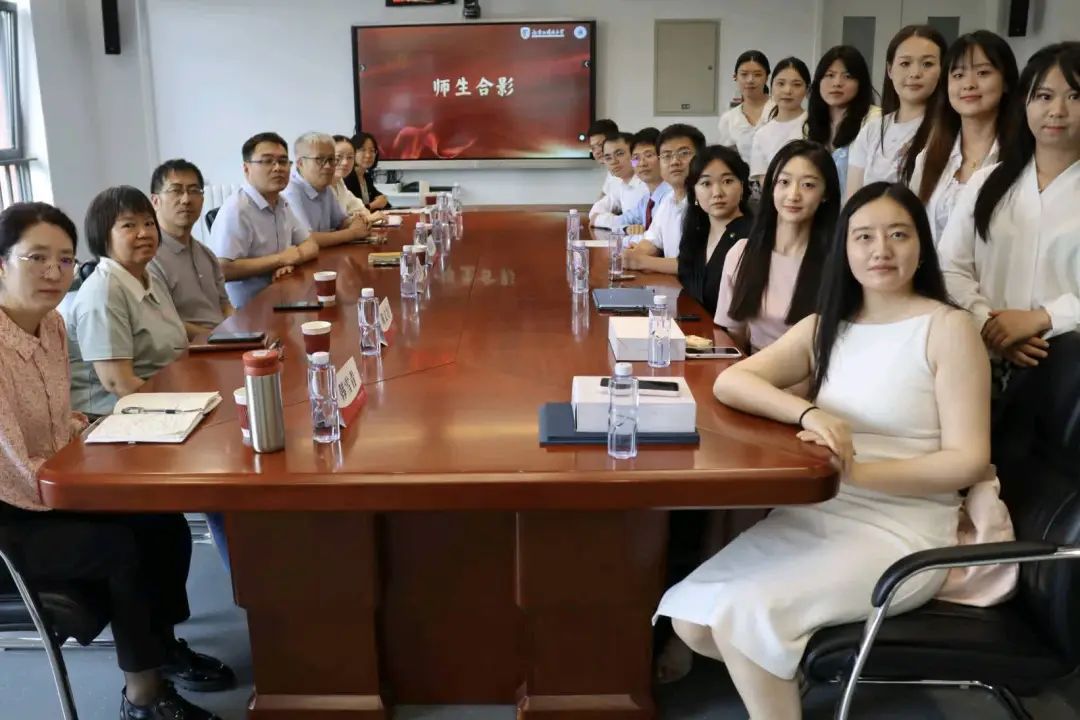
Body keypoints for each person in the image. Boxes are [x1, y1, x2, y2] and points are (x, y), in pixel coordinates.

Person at [656, 182, 991, 719]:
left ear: (921, 247)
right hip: (820, 512)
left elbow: (967, 460)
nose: (881, 250)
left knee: (743, 620)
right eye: (864, 237)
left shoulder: (948, 328)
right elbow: (732, 382)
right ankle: (781, 681)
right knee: (692, 622)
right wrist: (809, 413)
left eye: (898, 235)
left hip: (903, 531)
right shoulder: (826, 325)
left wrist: (855, 473)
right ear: (845, 249)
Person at [0, 202, 234, 720]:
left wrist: (93, 433)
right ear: (2, 263)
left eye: (64, 259)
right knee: (119, 547)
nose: (53, 271)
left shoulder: (52, 326)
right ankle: (143, 699)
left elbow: (58, 422)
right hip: (13, 513)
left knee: (162, 520)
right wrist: (89, 481)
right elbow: (14, 467)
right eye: (36, 257)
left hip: (54, 483)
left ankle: (162, 648)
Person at [938, 41, 1080, 378]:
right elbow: (950, 267)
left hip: (1067, 368)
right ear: (1024, 103)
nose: (1057, 110)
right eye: (1044, 96)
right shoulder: (987, 182)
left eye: (1075, 96)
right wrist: (991, 326)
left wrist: (1045, 318)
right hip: (979, 357)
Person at [64, 187, 188, 417]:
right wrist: (185, 408)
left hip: (165, 400)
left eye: (149, 223)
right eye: (129, 225)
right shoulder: (103, 292)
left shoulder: (149, 278)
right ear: (103, 236)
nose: (144, 233)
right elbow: (119, 384)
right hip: (115, 417)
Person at [715, 140, 840, 354]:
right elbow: (735, 336)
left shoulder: (838, 262)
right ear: (771, 187)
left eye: (808, 185)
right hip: (752, 368)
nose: (793, 195)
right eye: (784, 182)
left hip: (815, 371)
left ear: (826, 194)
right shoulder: (741, 253)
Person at [909, 32, 1018, 244]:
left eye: (983, 73)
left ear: (1006, 82)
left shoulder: (1022, 158)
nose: (969, 84)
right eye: (958, 75)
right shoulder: (929, 157)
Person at [207, 132, 319, 309]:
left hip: (282, 296)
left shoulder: (281, 203)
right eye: (267, 161)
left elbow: (311, 244)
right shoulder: (237, 210)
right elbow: (222, 269)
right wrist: (280, 260)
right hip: (248, 310)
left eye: (283, 161)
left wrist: (290, 260)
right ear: (246, 169)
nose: (278, 168)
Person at [847, 25, 947, 197]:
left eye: (927, 64)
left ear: (943, 70)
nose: (915, 73)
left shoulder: (947, 130)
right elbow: (852, 200)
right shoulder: (871, 130)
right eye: (905, 63)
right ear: (890, 70)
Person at [147, 159, 233, 340]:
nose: (186, 199)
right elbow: (166, 322)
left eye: (194, 191)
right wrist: (218, 338)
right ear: (155, 201)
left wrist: (243, 334)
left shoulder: (206, 254)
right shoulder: (149, 258)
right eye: (176, 191)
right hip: (188, 349)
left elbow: (225, 306)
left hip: (221, 343)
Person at [676, 145, 753, 316]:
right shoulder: (696, 233)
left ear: (742, 186)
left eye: (727, 181)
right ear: (694, 193)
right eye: (706, 183)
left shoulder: (752, 235)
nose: (717, 192)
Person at [624, 123, 706, 275]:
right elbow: (653, 241)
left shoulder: (707, 202)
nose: (675, 161)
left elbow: (696, 264)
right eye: (667, 156)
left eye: (684, 153)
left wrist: (639, 261)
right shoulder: (669, 200)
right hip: (672, 285)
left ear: (702, 158)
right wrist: (633, 253)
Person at [806, 45, 881, 193]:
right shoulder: (810, 123)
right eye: (830, 75)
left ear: (860, 83)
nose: (837, 83)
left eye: (847, 76)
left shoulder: (874, 120)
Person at [282, 132, 371, 246]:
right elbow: (305, 239)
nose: (328, 166)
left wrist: (357, 222)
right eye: (320, 159)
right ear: (300, 163)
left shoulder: (324, 186)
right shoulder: (290, 191)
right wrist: (352, 233)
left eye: (331, 159)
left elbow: (341, 222)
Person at [749, 58, 810, 182]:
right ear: (771, 87)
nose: (787, 90)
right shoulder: (762, 134)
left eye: (796, 85)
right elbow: (764, 182)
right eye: (781, 84)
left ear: (807, 90)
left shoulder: (816, 124)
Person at [717, 51, 775, 163]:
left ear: (767, 78)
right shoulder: (729, 119)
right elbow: (726, 159)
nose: (750, 80)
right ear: (735, 77)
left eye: (757, 75)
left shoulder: (780, 109)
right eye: (744, 74)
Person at [616, 127, 671, 235]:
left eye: (649, 155)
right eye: (636, 158)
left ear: (664, 157)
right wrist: (626, 228)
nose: (642, 163)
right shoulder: (646, 201)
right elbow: (618, 221)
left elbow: (658, 239)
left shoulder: (671, 196)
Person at [589, 131, 647, 228]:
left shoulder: (646, 183)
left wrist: (601, 220)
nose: (613, 161)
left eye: (619, 154)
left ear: (635, 156)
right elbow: (596, 210)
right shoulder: (621, 183)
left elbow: (635, 222)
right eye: (608, 158)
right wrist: (602, 219)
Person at [331, 134, 386, 223]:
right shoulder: (322, 186)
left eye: (350, 157)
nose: (345, 162)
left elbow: (358, 206)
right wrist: (367, 217)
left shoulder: (340, 182)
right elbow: (334, 223)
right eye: (338, 157)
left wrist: (368, 215)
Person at [344, 132, 391, 211]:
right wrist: (372, 205)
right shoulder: (347, 178)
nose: (368, 155)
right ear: (352, 152)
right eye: (363, 150)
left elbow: (383, 201)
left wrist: (382, 199)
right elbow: (349, 211)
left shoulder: (366, 177)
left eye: (372, 150)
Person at [585, 118, 622, 201]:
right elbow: (603, 196)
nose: (596, 152)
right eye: (593, 148)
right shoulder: (611, 171)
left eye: (600, 145)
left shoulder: (634, 166)